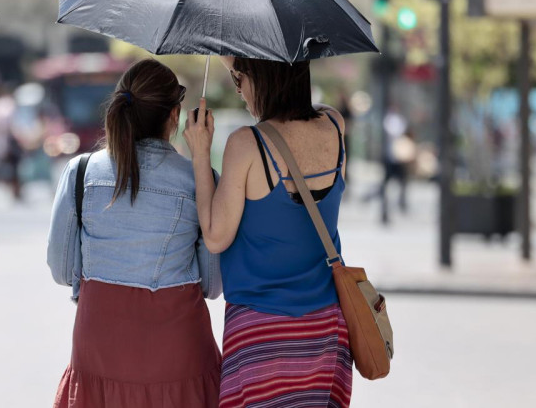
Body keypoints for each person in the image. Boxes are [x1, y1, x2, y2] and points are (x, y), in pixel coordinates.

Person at [48, 59, 222, 408]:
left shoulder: (81, 171)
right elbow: (212, 284)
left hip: (100, 349)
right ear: (175, 115)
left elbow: (61, 270)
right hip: (179, 353)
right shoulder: (201, 181)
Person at [184, 57, 352, 408]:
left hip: (262, 331)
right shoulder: (334, 125)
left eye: (239, 77)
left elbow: (215, 236)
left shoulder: (247, 144)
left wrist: (200, 154)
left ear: (264, 77)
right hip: (326, 330)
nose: (238, 88)